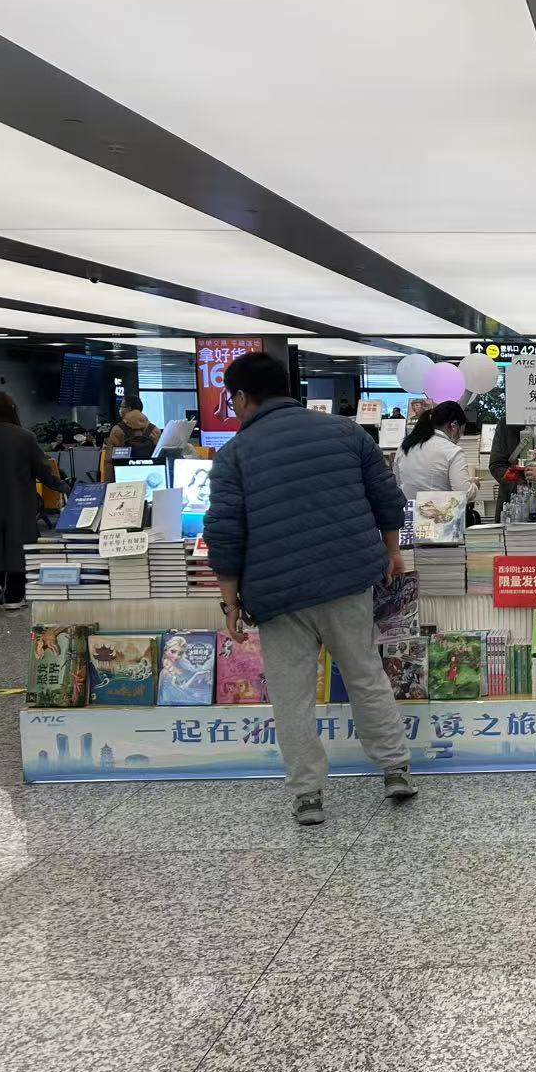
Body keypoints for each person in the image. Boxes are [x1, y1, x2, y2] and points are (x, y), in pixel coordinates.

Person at [203, 352, 417, 824]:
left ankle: (308, 794)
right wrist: (392, 550)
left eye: (232, 400)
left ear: (242, 397)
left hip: (277, 594)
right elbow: (387, 497)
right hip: (347, 579)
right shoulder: (346, 432)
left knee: (292, 695)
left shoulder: (235, 454)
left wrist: (229, 601)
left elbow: (225, 532)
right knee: (365, 675)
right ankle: (395, 769)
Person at [0, 390, 69, 609]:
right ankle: (14, 596)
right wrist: (64, 487)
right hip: (17, 500)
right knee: (18, 544)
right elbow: (42, 470)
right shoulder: (24, 437)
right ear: (12, 409)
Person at [394, 400, 477, 503]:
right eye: (462, 431)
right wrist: (474, 485)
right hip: (437, 511)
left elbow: (397, 483)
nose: (461, 436)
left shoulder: (404, 446)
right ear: (454, 425)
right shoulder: (452, 451)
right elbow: (464, 494)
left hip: (407, 510)